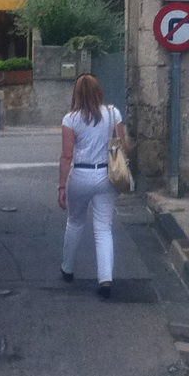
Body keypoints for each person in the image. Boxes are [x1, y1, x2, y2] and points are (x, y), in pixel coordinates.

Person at [58, 73, 128, 299]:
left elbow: (67, 155)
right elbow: (123, 145)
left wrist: (61, 187)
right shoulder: (112, 113)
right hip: (105, 175)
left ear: (76, 94)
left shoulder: (70, 119)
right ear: (99, 91)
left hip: (81, 174)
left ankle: (67, 268)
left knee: (75, 222)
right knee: (103, 228)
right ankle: (105, 278)